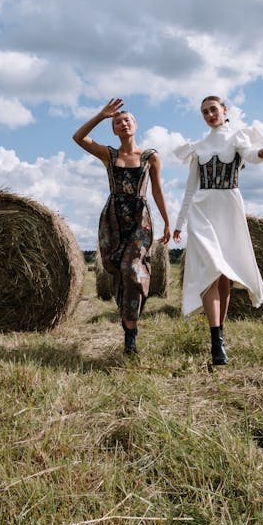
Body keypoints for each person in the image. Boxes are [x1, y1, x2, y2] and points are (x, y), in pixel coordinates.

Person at [173, 96, 263, 366]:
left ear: (224, 110)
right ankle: (215, 339)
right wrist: (178, 224)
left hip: (229, 209)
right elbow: (189, 189)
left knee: (225, 274)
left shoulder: (236, 138)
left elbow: (251, 156)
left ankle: (220, 332)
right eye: (204, 112)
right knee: (210, 269)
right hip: (202, 210)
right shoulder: (198, 148)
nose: (209, 114)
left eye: (213, 109)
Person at [73, 98, 170, 355]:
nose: (123, 124)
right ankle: (129, 328)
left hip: (140, 219)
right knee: (118, 272)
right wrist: (100, 116)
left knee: (132, 269)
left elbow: (158, 191)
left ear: (135, 125)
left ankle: (131, 331)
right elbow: (78, 137)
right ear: (114, 129)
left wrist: (168, 221)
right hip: (113, 220)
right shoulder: (109, 155)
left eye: (127, 120)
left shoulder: (151, 156)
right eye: (117, 122)